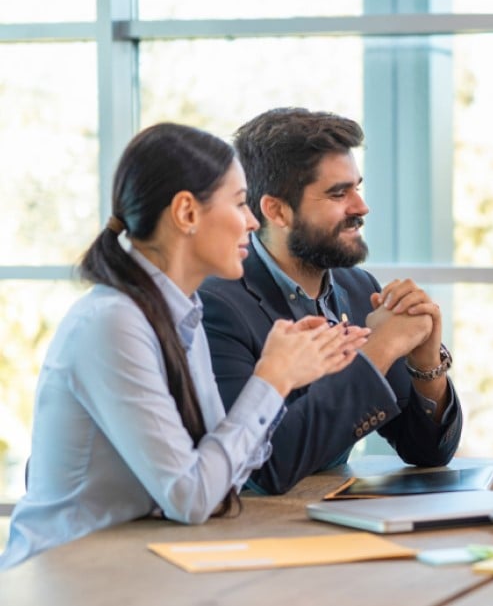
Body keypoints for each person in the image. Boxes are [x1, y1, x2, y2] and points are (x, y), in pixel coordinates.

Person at [0, 124, 368, 568]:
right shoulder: (113, 323)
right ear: (187, 214)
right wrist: (271, 379)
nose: (252, 221)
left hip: (134, 565)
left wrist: (290, 374)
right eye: (238, 203)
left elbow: (222, 476)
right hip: (64, 575)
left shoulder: (180, 311)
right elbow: (191, 496)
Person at [200, 108, 461, 495]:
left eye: (357, 187)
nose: (361, 206)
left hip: (333, 517)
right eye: (339, 194)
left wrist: (426, 364)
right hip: (251, 530)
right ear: (277, 210)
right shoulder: (216, 306)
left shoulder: (358, 289)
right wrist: (382, 347)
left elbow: (427, 451)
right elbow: (267, 468)